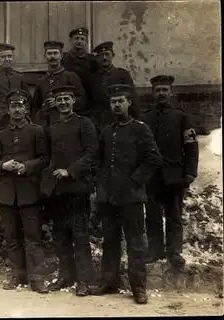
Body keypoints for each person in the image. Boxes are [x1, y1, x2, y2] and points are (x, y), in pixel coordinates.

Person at [92, 84, 162, 304]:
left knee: (135, 243)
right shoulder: (106, 131)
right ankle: (108, 282)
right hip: (109, 198)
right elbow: (99, 162)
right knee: (110, 242)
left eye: (121, 101)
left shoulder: (140, 129)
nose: (117, 105)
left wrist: (134, 181)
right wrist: (101, 185)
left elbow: (153, 158)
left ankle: (138, 287)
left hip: (131, 197)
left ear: (129, 103)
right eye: (113, 102)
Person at [0, 89, 49, 294]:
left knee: (33, 237)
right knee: (12, 237)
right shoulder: (1, 134)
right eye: (13, 106)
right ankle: (17, 275)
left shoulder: (36, 131)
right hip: (7, 193)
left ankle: (36, 278)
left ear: (26, 108)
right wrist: (3, 166)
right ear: (8, 109)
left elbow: (44, 159)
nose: (17, 110)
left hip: (29, 192)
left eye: (20, 105)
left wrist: (26, 167)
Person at [40, 85, 97, 296]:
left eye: (67, 99)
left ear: (73, 101)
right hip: (58, 190)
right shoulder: (52, 127)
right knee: (60, 235)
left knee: (80, 235)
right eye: (60, 99)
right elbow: (48, 156)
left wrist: (70, 171)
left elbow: (91, 153)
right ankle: (66, 276)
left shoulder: (85, 124)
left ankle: (84, 280)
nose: (63, 103)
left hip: (77, 188)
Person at [141, 75, 199, 268]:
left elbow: (191, 147)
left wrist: (190, 172)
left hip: (174, 175)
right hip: (152, 177)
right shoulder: (145, 118)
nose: (161, 93)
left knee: (174, 215)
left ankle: (174, 252)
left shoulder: (181, 117)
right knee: (152, 215)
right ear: (152, 93)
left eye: (165, 90)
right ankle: (155, 250)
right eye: (158, 90)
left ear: (171, 92)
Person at [31, 41, 86, 123]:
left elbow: (83, 101)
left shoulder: (71, 76)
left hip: (68, 122)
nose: (52, 56)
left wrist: (59, 102)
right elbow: (35, 107)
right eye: (49, 53)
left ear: (61, 55)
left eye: (55, 53)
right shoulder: (42, 81)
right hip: (46, 123)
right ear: (45, 56)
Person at [90, 41, 140, 130]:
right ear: (97, 58)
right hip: (100, 121)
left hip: (121, 118)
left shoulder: (122, 74)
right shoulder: (92, 78)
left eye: (107, 54)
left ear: (113, 55)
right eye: (101, 55)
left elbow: (133, 99)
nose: (104, 58)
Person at [61, 28, 99, 113]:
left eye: (82, 39)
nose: (79, 41)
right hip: (67, 101)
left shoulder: (93, 60)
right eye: (76, 38)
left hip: (89, 102)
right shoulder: (63, 59)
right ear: (70, 40)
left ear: (86, 42)